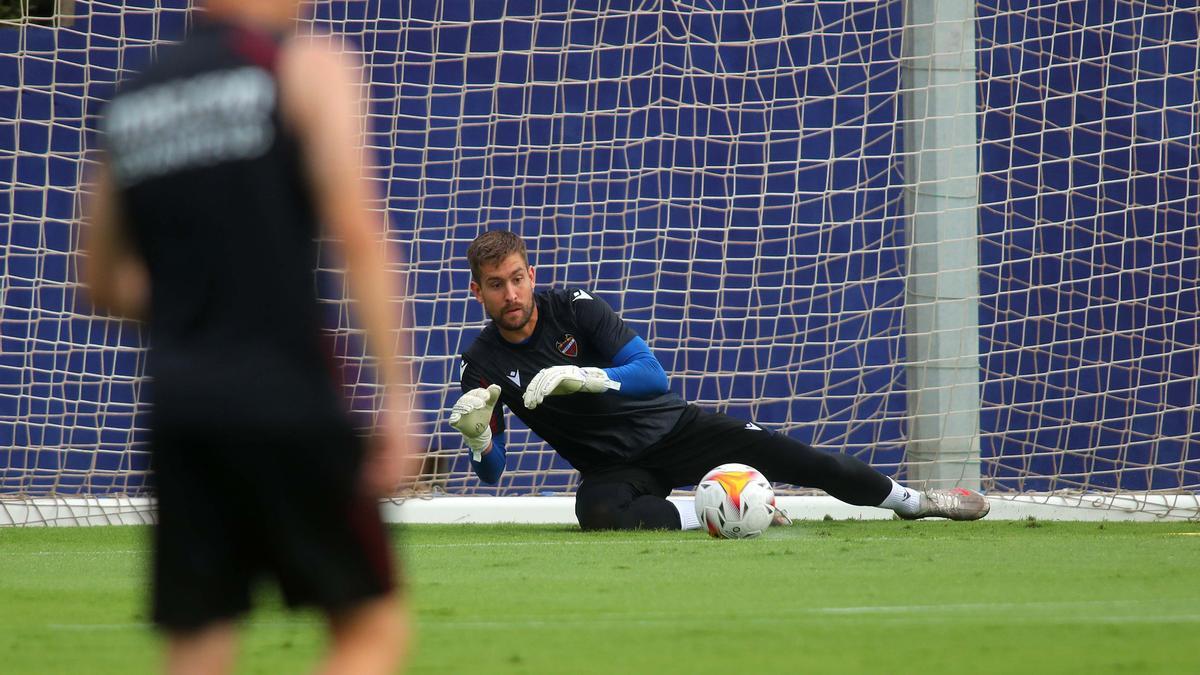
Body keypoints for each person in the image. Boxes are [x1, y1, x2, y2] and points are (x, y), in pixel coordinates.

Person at [82, 1, 416, 673]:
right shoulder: (304, 66)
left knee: (199, 643)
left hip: (182, 409)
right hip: (288, 394)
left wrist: (198, 304)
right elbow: (356, 234)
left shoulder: (135, 97)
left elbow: (100, 281)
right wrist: (398, 398)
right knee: (369, 630)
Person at [448, 230, 989, 531]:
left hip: (677, 430)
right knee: (597, 513)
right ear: (478, 292)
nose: (511, 295)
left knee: (805, 461)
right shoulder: (482, 363)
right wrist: (479, 442)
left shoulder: (573, 307)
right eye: (496, 285)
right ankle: (730, 510)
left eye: (517, 279)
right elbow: (492, 473)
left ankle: (916, 500)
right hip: (613, 467)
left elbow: (652, 375)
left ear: (531, 275)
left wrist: (587, 378)